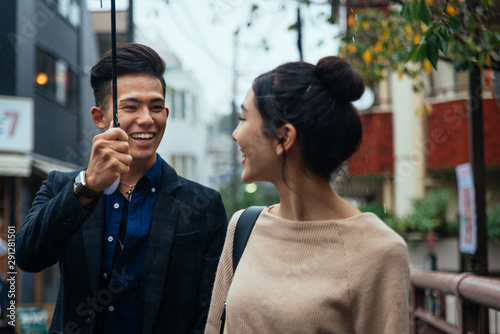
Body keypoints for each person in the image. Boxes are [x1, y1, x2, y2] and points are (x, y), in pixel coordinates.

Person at [16, 43, 228, 334]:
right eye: (130, 106)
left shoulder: (203, 204)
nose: (147, 118)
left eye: (156, 107)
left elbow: (210, 311)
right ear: (99, 117)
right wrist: (87, 186)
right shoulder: (61, 186)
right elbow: (27, 255)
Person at [205, 56, 410, 333]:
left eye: (243, 118)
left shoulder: (379, 251)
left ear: (283, 138)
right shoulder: (243, 227)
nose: (235, 134)